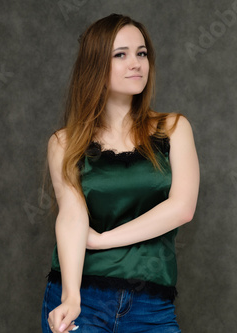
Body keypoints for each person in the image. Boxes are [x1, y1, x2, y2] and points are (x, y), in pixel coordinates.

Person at [40, 13, 200, 333]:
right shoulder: (64, 142)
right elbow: (72, 217)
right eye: (120, 54)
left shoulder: (173, 128)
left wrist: (102, 241)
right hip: (84, 298)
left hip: (151, 304)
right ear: (95, 66)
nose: (136, 63)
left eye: (141, 53)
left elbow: (181, 208)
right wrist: (71, 298)